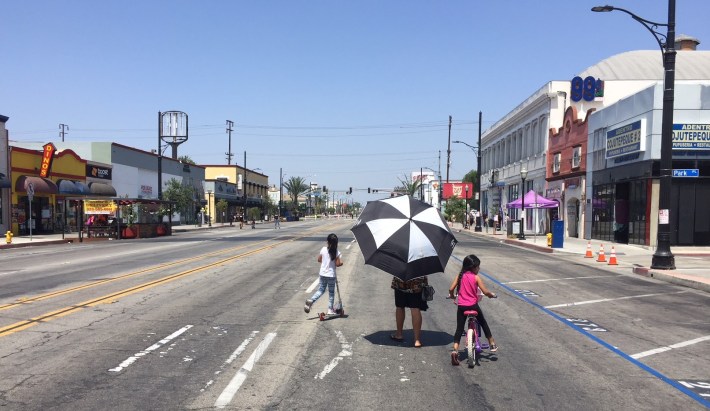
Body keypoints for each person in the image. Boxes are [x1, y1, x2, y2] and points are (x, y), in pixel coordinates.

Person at [448, 254, 498, 365]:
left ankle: (455, 349)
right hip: (473, 306)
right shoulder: (476, 278)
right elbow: (485, 292)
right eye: (478, 267)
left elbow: (451, 289)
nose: (479, 269)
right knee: (483, 322)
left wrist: (452, 295)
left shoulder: (460, 276)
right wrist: (491, 295)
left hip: (461, 306)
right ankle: (491, 342)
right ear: (473, 267)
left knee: (459, 329)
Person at [304, 233, 343, 315]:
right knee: (331, 293)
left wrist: (325, 262)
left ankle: (312, 300)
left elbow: (319, 259)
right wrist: (341, 263)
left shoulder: (323, 249)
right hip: (331, 275)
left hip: (322, 274)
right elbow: (338, 264)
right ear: (336, 243)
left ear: (327, 242)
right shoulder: (336, 252)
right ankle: (330, 309)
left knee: (321, 290)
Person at [390, 276, 429, 348]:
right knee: (415, 308)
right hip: (417, 280)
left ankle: (399, 334)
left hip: (401, 279)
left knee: (400, 306)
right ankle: (417, 340)